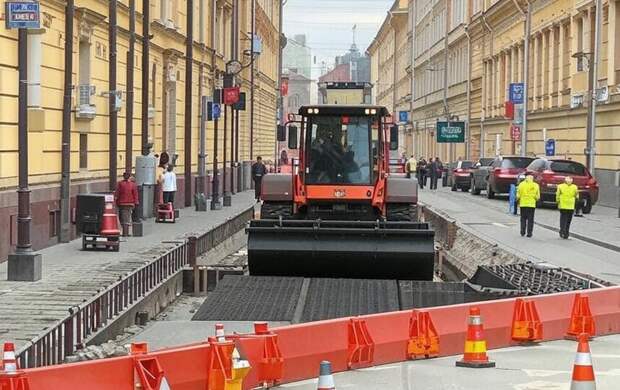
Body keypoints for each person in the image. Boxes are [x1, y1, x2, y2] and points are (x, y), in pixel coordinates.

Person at [115, 172, 139, 237]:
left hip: (122, 203)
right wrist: (136, 202)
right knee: (126, 217)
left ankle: (125, 233)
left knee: (123, 218)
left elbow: (117, 193)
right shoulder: (133, 184)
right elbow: (135, 194)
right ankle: (126, 232)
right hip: (130, 203)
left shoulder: (120, 183)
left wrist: (116, 201)